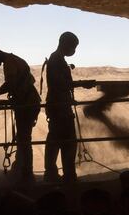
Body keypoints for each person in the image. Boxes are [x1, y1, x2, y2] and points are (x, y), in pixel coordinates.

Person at [0, 44, 41, 185]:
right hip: (29, 102)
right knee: (23, 138)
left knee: (24, 139)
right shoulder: (13, 59)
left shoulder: (9, 63)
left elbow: (11, 83)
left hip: (26, 104)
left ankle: (27, 174)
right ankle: (21, 168)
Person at [44, 32, 93, 183]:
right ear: (65, 43)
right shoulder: (56, 60)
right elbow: (61, 84)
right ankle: (66, 175)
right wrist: (81, 83)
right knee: (66, 142)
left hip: (59, 106)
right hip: (60, 108)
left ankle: (55, 173)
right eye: (73, 47)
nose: (74, 50)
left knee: (57, 140)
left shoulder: (57, 59)